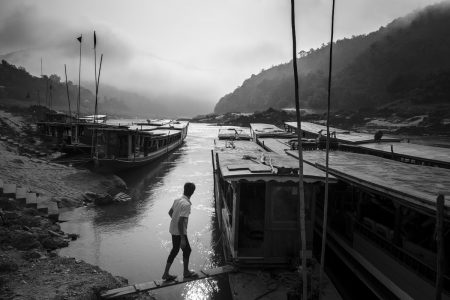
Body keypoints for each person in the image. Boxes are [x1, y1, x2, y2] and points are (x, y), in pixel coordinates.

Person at [162, 182, 198, 281]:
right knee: (187, 250)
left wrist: (175, 220)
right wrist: (182, 238)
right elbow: (180, 222)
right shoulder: (186, 204)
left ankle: (166, 274)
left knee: (175, 250)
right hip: (180, 232)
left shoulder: (177, 200)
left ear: (184, 189)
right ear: (192, 192)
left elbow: (170, 213)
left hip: (173, 230)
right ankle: (186, 272)